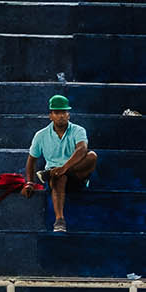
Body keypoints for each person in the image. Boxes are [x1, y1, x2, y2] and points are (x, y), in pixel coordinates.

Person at [25, 94, 97, 234]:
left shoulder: (78, 130)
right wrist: (29, 182)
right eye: (57, 112)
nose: (61, 116)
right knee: (59, 177)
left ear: (69, 115)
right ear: (50, 115)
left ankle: (53, 173)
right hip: (57, 180)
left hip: (77, 175)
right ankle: (59, 220)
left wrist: (63, 168)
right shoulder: (41, 135)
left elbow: (82, 149)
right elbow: (31, 160)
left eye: (64, 112)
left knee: (92, 156)